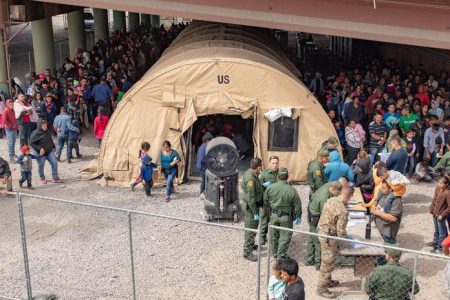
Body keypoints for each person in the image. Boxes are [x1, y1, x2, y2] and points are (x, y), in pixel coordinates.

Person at [316, 186, 354, 298]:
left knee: (329, 259)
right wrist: (347, 239)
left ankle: (328, 280)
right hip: (329, 238)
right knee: (327, 261)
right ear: (349, 197)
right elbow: (340, 231)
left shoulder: (331, 199)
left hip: (322, 232)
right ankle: (321, 288)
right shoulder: (343, 211)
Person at [305, 180, 345, 270]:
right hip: (316, 216)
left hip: (312, 211)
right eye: (337, 193)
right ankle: (319, 265)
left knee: (312, 237)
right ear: (333, 189)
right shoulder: (324, 197)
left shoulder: (329, 185)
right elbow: (325, 214)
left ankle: (309, 259)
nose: (338, 195)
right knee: (319, 240)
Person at [264, 169, 301, 259]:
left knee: (274, 235)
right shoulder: (292, 190)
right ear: (287, 177)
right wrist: (299, 216)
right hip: (285, 217)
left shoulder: (270, 188)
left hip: (274, 215)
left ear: (277, 177)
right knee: (285, 236)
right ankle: (281, 255)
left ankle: (275, 253)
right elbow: (298, 205)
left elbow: (265, 201)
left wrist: (268, 212)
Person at [260, 156, 288, 245]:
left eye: (276, 163)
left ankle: (275, 238)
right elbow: (258, 188)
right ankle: (262, 238)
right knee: (264, 220)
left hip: (278, 202)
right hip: (267, 202)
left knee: (276, 221)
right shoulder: (264, 174)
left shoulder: (281, 173)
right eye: (273, 163)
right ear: (269, 163)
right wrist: (263, 186)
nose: (275, 165)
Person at [241, 157, 263, 262]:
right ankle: (247, 252)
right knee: (250, 229)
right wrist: (255, 212)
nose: (261, 168)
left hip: (251, 206)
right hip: (250, 209)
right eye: (260, 166)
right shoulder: (250, 178)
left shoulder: (249, 174)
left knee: (253, 227)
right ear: (257, 167)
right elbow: (250, 198)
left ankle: (251, 244)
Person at [29, 119, 64, 184]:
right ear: (40, 126)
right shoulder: (35, 133)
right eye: (44, 126)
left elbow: (49, 139)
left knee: (54, 163)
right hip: (41, 153)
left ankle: (55, 177)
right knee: (41, 165)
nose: (45, 127)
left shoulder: (47, 131)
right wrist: (40, 149)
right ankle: (42, 178)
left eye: (46, 126)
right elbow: (31, 143)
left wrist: (53, 146)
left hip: (49, 151)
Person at [427, 176, 450, 254]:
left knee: (442, 232)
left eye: (441, 183)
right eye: (438, 182)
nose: (438, 184)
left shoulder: (447, 193)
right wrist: (432, 209)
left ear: (446, 184)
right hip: (435, 214)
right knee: (437, 230)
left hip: (440, 216)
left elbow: (449, 207)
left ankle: (440, 248)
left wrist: (442, 215)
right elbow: (435, 199)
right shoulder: (439, 189)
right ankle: (436, 244)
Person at [196, 132, 213, 199]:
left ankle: (201, 193)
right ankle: (203, 193)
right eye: (210, 140)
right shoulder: (203, 148)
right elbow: (201, 159)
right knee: (208, 180)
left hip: (201, 166)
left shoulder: (205, 146)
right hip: (202, 167)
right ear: (207, 141)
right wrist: (210, 161)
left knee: (204, 180)